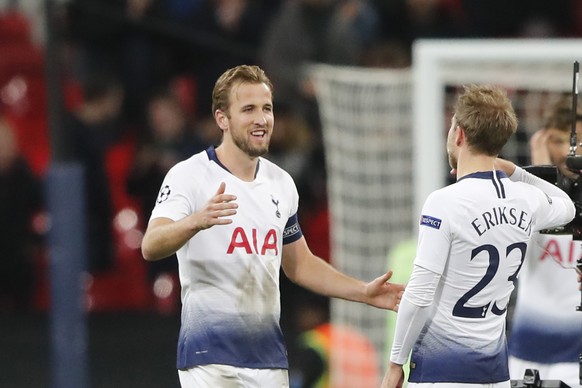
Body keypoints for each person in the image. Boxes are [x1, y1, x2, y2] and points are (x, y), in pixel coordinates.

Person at [140, 64, 404, 387]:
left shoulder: (281, 184)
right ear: (222, 119)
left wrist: (363, 292)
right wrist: (195, 221)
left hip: (268, 360)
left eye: (267, 108)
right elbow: (151, 244)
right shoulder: (189, 175)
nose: (261, 119)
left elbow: (300, 265)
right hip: (209, 357)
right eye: (248, 109)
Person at [381, 84, 576, 388]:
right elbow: (567, 206)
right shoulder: (526, 199)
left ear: (458, 133)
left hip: (441, 373)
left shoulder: (443, 202)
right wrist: (517, 172)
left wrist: (395, 363)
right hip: (495, 374)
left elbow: (419, 294)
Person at [507, 96, 582, 387]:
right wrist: (538, 173)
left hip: (575, 357)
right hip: (525, 352)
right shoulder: (520, 195)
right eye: (558, 140)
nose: (567, 151)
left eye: (574, 142)